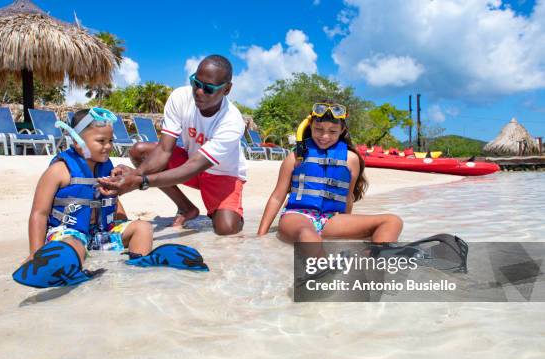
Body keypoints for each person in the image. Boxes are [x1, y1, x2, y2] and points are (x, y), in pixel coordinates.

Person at [97, 55, 247, 236]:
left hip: (222, 174)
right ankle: (187, 208)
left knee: (227, 229)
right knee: (140, 152)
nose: (199, 92)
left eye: (208, 88)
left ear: (227, 89)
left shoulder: (232, 121)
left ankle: (229, 212)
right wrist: (134, 176)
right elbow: (163, 149)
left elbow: (195, 166)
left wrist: (138, 182)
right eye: (196, 83)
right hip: (191, 162)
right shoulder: (180, 97)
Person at [257, 102, 403, 243]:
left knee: (392, 221)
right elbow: (277, 197)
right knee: (308, 234)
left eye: (332, 131)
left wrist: (347, 232)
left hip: (331, 219)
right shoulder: (296, 156)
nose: (324, 136)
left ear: (342, 130)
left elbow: (348, 198)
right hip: (297, 217)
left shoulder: (351, 159)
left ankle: (377, 260)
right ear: (310, 126)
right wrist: (260, 236)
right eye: (318, 129)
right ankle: (323, 266)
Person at [25, 108, 153, 265]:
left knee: (143, 228)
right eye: (101, 141)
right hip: (68, 235)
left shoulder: (107, 168)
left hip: (100, 234)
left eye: (111, 141)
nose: (108, 146)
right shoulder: (59, 170)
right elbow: (39, 213)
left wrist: (123, 222)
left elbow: (113, 201)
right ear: (77, 142)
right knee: (73, 247)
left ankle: (138, 268)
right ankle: (65, 270)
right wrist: (35, 253)